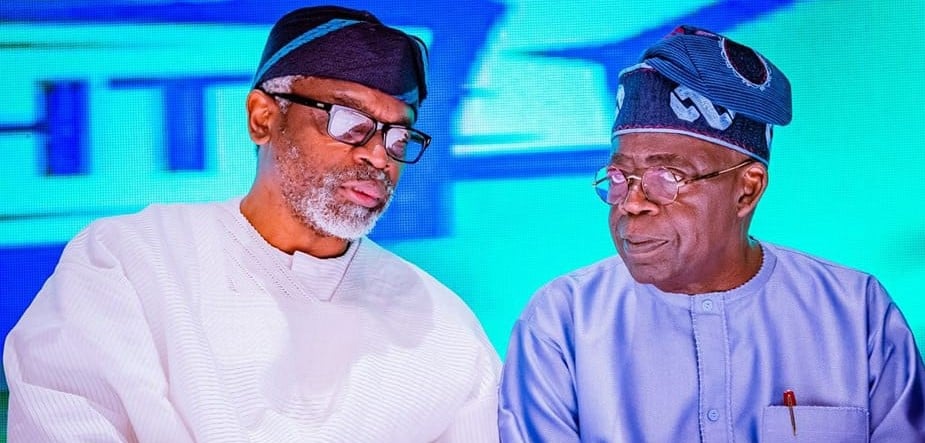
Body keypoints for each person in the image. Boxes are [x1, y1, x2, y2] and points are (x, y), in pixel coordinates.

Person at [4, 5, 501, 442]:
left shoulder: (443, 327)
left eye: (398, 137)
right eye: (350, 123)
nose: (378, 157)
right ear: (263, 117)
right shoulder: (131, 262)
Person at [498, 25, 925, 442]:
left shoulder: (855, 311)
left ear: (747, 190)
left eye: (667, 177)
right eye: (619, 177)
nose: (631, 203)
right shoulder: (562, 322)